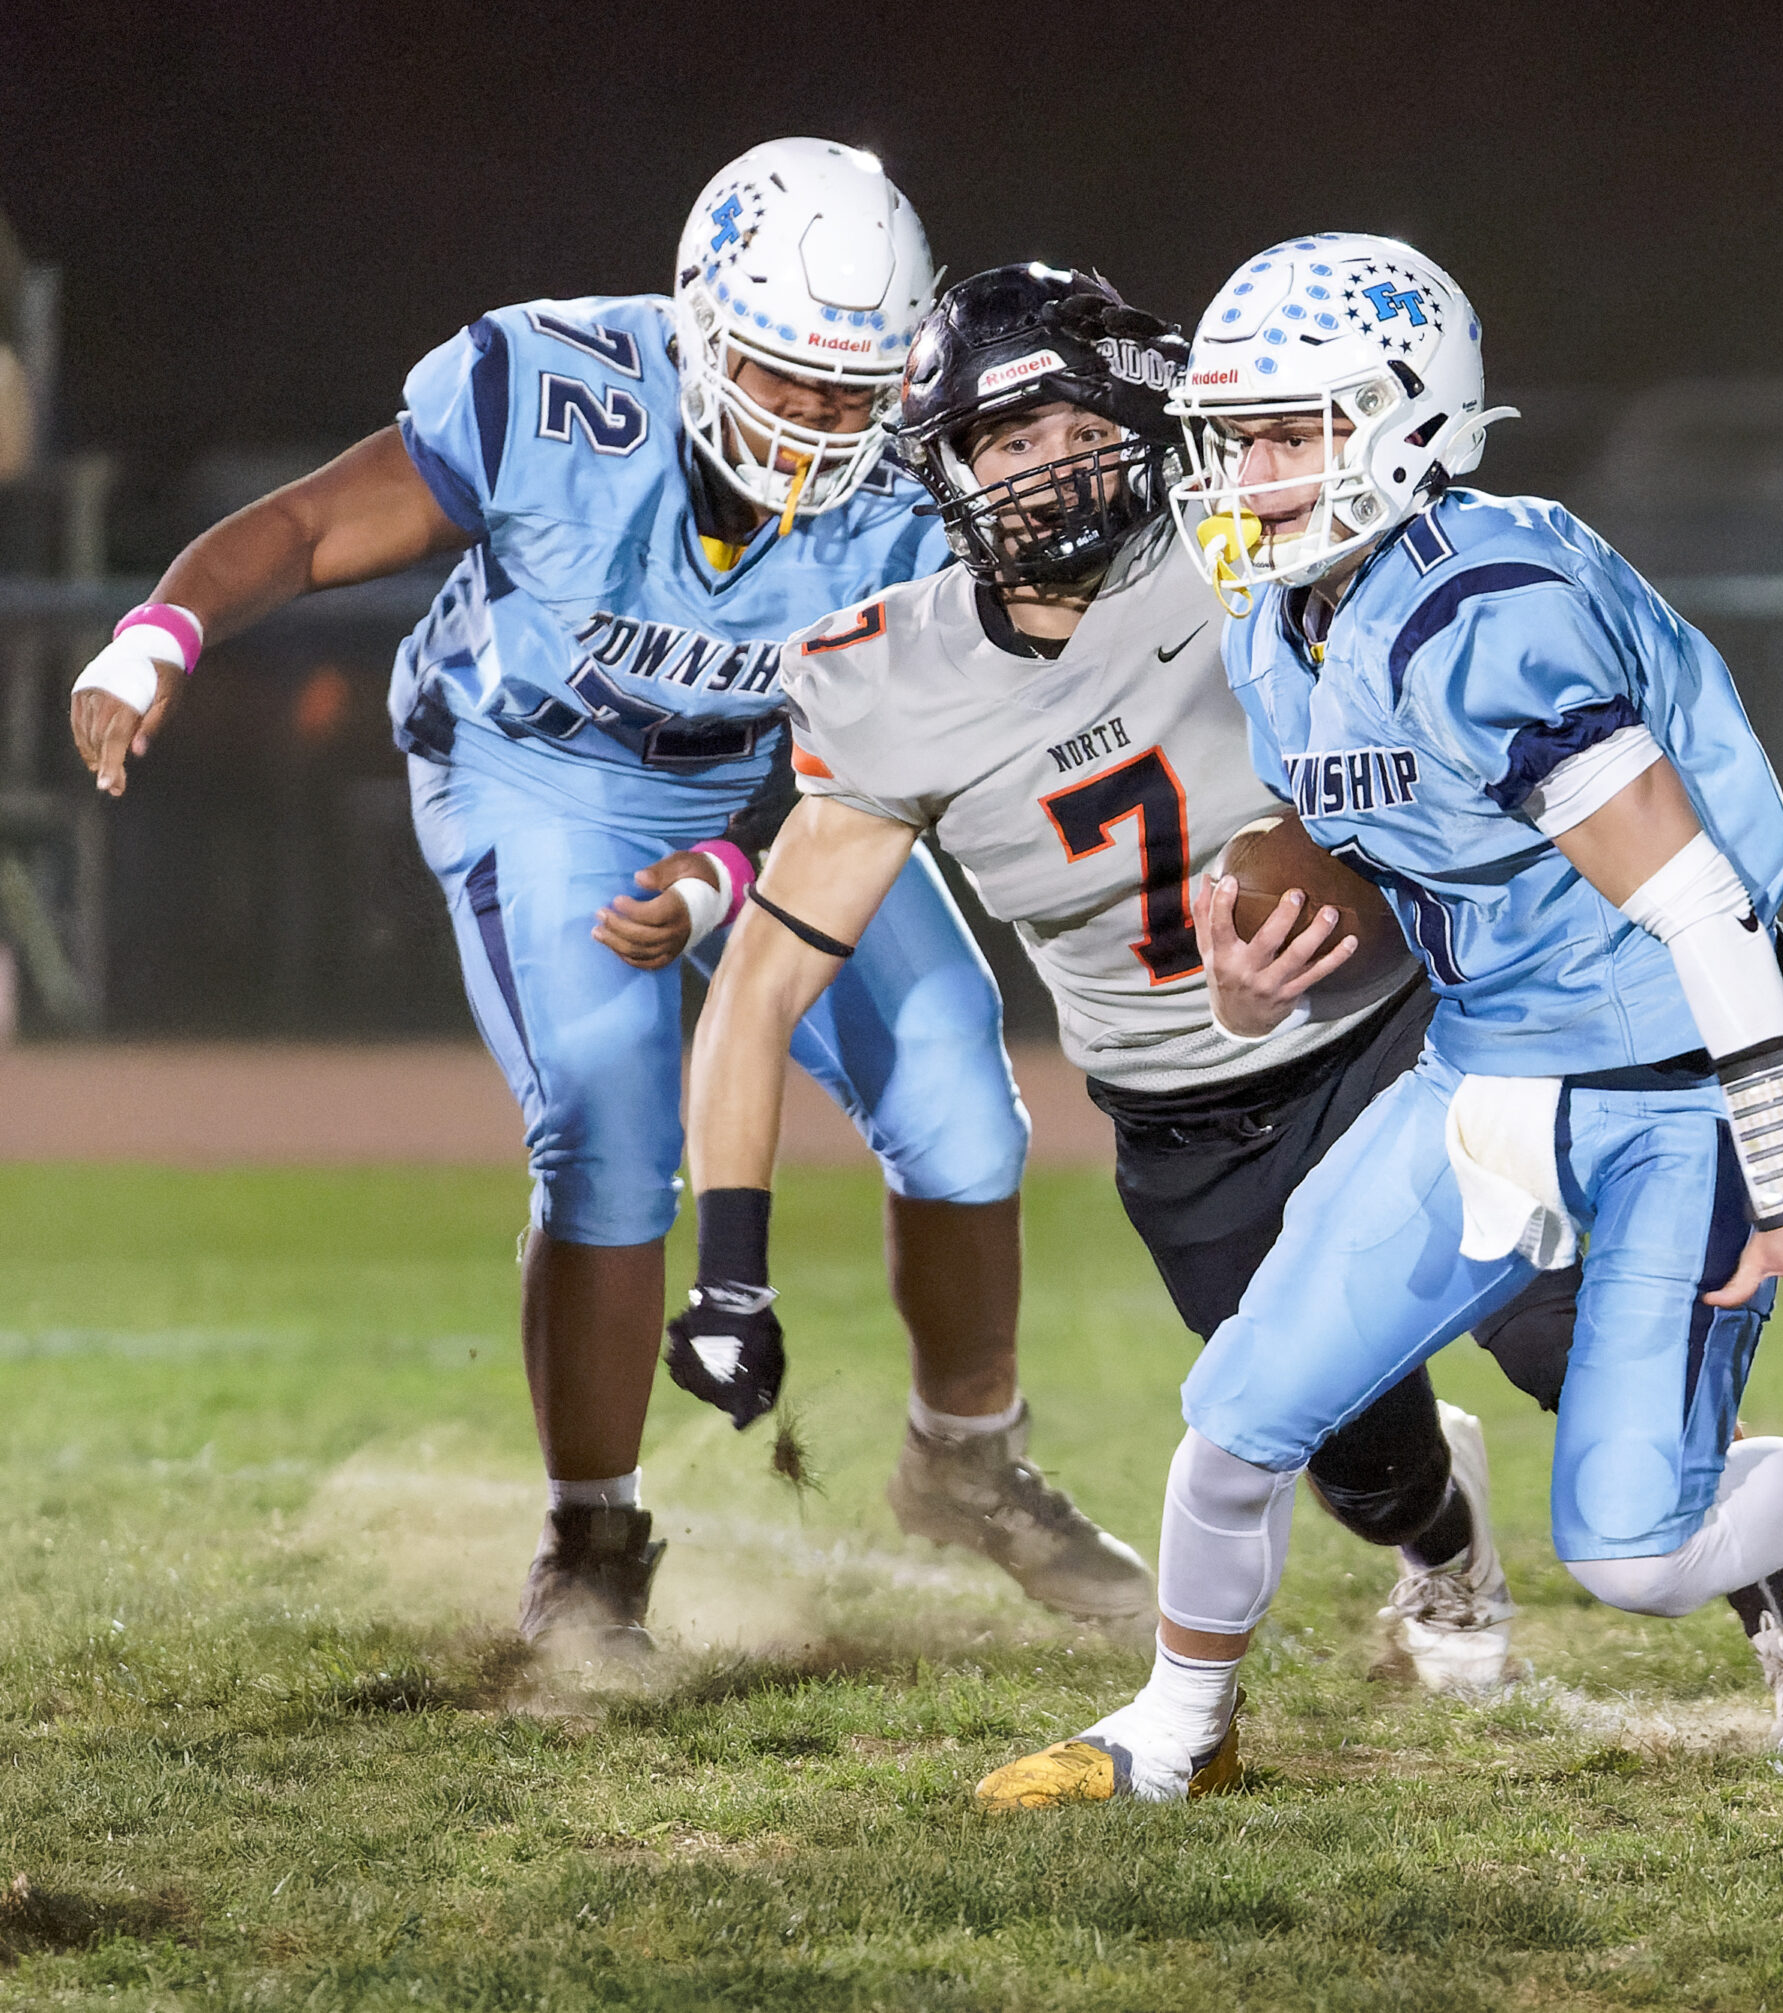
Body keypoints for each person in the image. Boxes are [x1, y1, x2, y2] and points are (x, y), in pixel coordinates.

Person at [673, 262, 1783, 1739]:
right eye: (1004, 444)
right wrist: (728, 1264)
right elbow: (763, 985)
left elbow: (1512, 743)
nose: (1046, 469)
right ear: (940, 467)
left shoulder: (1272, 538)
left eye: (1072, 426)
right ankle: (1444, 1562)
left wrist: (1705, 950)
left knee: (1588, 1339)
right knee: (1344, 1452)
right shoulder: (893, 677)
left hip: (1407, 1034)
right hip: (1190, 1113)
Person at [974, 234, 1783, 1807]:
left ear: (1405, 420)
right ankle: (1177, 1730)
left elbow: (1699, 909)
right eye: (1236, 435)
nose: (1251, 472)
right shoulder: (1287, 627)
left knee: (1638, 1551)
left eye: (1291, 432)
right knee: (1238, 1416)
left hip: (1672, 1093)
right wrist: (1242, 963)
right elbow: (1369, 849)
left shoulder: (1496, 603)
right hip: (1483, 1074)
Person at [65, 141, 1147, 1651]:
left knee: (963, 1083)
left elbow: (906, 736)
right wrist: (162, 631)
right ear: (700, 329)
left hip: (788, 787)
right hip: (542, 773)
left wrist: (725, 873)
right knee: (610, 1127)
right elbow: (315, 526)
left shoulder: (923, 465)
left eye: (855, 389)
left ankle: (969, 1459)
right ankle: (590, 1540)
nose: (825, 425)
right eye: (785, 378)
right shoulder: (552, 391)